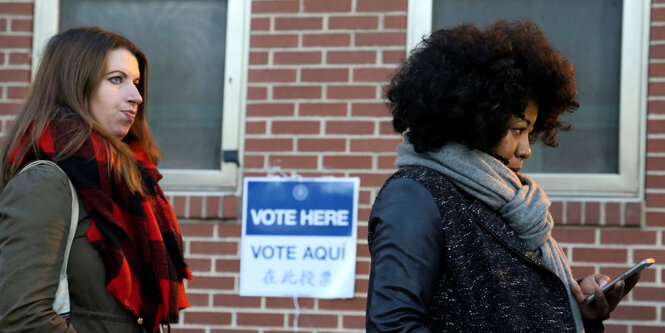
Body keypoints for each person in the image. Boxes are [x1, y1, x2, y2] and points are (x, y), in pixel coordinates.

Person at [366, 20, 639, 332]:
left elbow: (505, 305)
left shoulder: (509, 200)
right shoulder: (415, 197)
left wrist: (576, 307)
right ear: (474, 122)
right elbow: (392, 325)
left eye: (531, 132)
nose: (526, 149)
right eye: (517, 130)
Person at [0, 27, 191, 332]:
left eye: (136, 83)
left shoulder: (127, 181)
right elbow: (23, 316)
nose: (136, 96)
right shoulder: (46, 182)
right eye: (116, 80)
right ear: (74, 85)